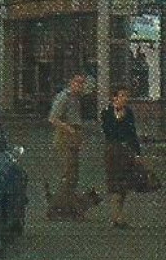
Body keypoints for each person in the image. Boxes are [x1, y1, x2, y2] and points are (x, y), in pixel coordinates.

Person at [99, 86, 144, 229]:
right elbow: (109, 132)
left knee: (124, 184)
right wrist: (118, 119)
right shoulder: (106, 112)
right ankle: (116, 217)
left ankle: (119, 216)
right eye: (122, 95)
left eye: (127, 95)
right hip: (113, 150)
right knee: (115, 183)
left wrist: (137, 153)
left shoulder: (129, 112)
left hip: (127, 150)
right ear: (114, 97)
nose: (125, 98)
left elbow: (132, 133)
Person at [47, 74, 89, 218]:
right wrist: (68, 129)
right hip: (65, 136)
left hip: (74, 134)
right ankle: (59, 206)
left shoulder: (76, 99)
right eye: (77, 83)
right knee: (68, 173)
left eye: (82, 83)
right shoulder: (64, 97)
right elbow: (53, 118)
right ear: (71, 83)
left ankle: (68, 206)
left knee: (73, 174)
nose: (80, 86)